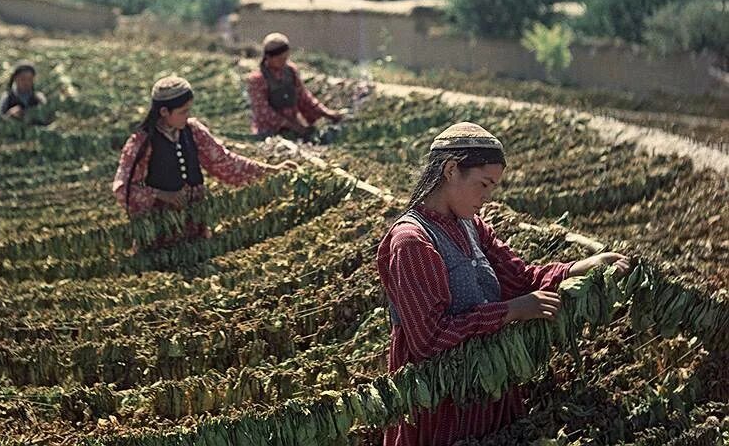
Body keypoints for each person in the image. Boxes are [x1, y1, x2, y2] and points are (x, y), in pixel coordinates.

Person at [376, 122, 631, 446]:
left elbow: (520, 278)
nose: (487, 197)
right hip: (442, 397)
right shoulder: (412, 242)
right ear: (451, 170)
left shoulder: (471, 226)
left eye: (493, 187)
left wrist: (580, 267)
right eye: (483, 184)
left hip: (487, 379)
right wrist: (510, 312)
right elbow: (430, 339)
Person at [112, 76, 296, 243]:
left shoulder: (193, 131)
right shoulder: (142, 142)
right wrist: (161, 195)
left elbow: (225, 162)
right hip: (161, 233)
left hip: (195, 227)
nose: (188, 116)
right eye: (183, 111)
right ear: (164, 112)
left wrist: (272, 170)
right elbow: (123, 189)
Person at [246, 32, 343, 139]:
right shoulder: (257, 79)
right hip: (269, 132)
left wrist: (327, 114)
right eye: (280, 59)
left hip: (294, 127)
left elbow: (304, 98)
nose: (283, 63)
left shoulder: (290, 71)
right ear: (268, 57)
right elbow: (263, 111)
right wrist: (291, 126)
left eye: (285, 59)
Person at [0, 60, 51, 125]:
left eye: (29, 79)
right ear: (15, 78)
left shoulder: (38, 98)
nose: (26, 83)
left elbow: (48, 121)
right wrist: (10, 115)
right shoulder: (7, 98)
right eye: (22, 79)